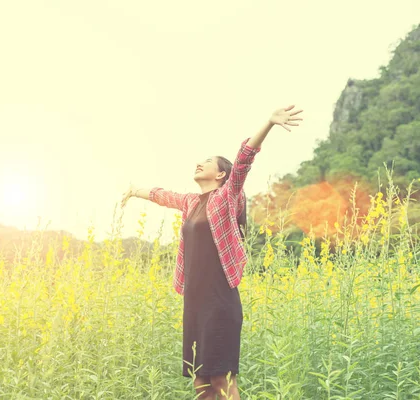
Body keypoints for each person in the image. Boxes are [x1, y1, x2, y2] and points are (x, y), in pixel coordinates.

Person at [120, 105, 304, 399]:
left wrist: (269, 122)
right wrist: (134, 190)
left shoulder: (227, 196)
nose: (198, 164)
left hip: (219, 301)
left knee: (222, 380)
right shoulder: (192, 202)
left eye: (206, 162)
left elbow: (244, 159)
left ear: (220, 173)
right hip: (195, 302)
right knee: (200, 383)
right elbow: (161, 196)